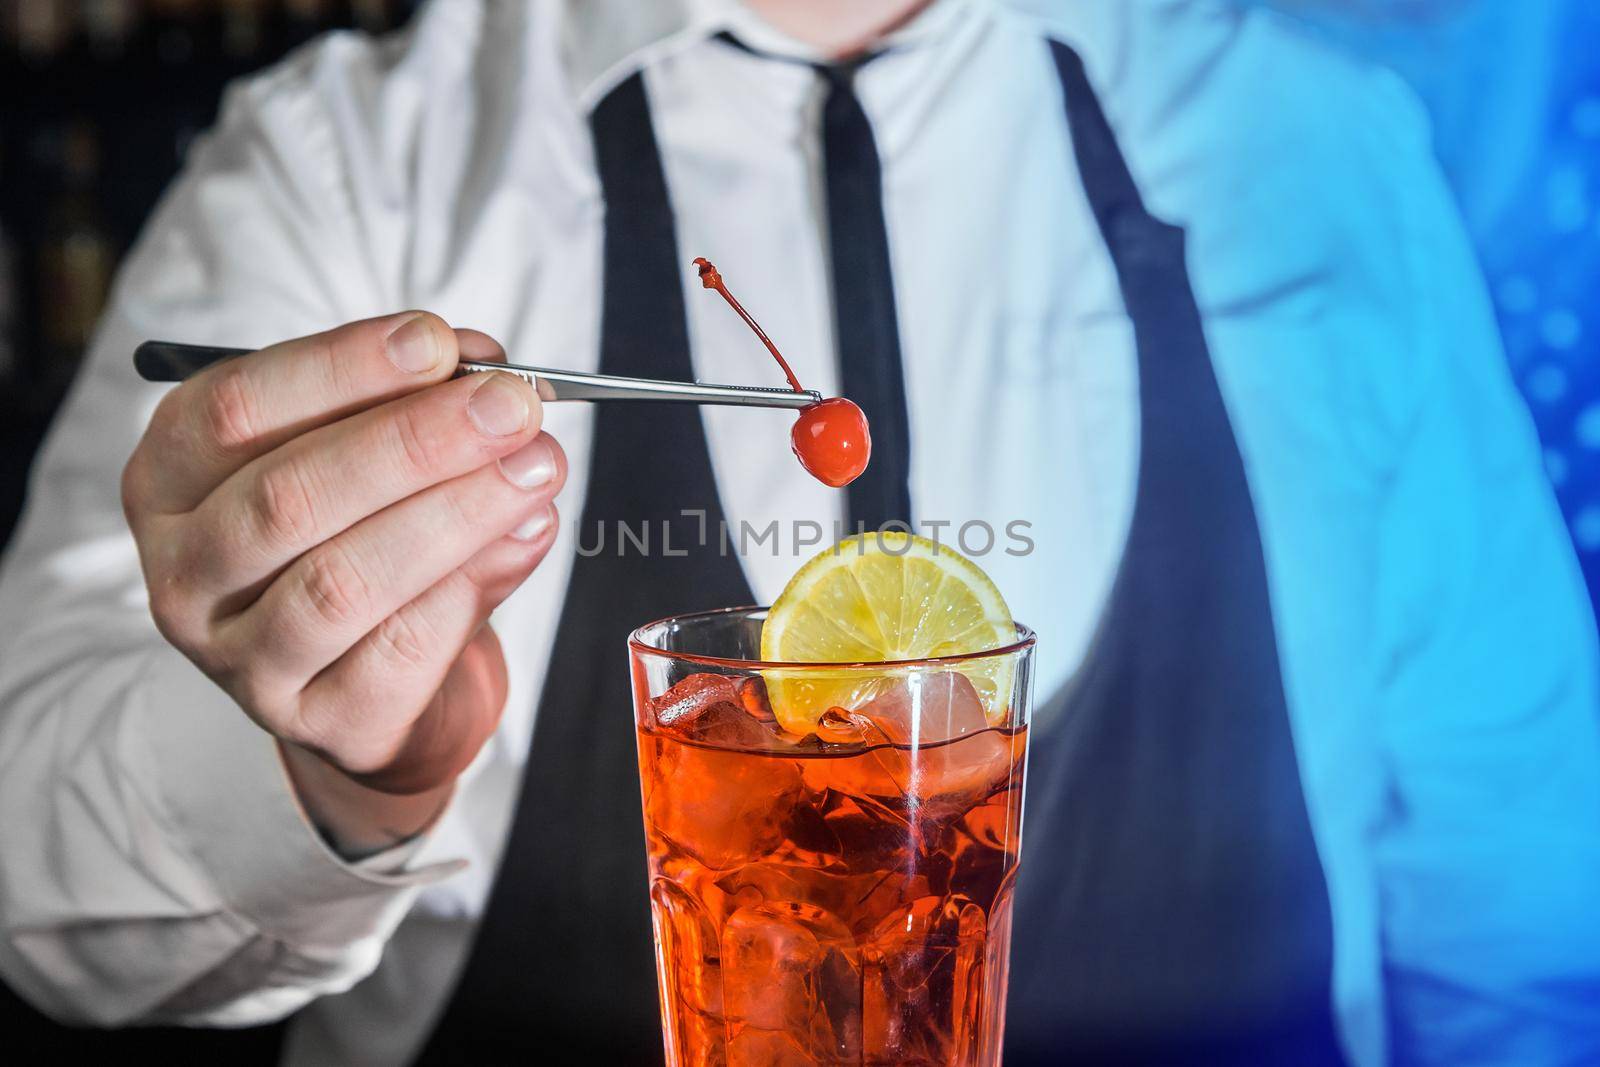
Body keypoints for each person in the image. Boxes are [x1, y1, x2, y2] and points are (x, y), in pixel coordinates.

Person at [1, 0, 1597, 1063]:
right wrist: (322, 766)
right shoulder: (356, 157)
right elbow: (38, 898)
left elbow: (1520, 900)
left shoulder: (1311, 141)